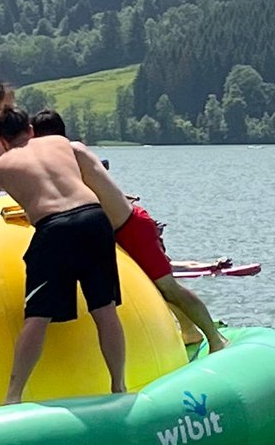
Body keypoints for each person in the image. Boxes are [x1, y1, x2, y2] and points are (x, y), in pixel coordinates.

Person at [0, 106, 133, 402]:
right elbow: (99, 178)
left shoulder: (1, 167)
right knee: (104, 309)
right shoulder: (62, 144)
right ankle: (119, 386)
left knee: (38, 317)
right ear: (30, 129)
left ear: (2, 141)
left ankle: (13, 395)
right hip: (93, 219)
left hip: (53, 229)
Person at [29, 109, 229, 352]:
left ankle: (216, 339)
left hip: (131, 228)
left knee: (168, 286)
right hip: (117, 231)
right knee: (155, 286)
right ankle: (189, 331)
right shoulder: (72, 153)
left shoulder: (71, 151)